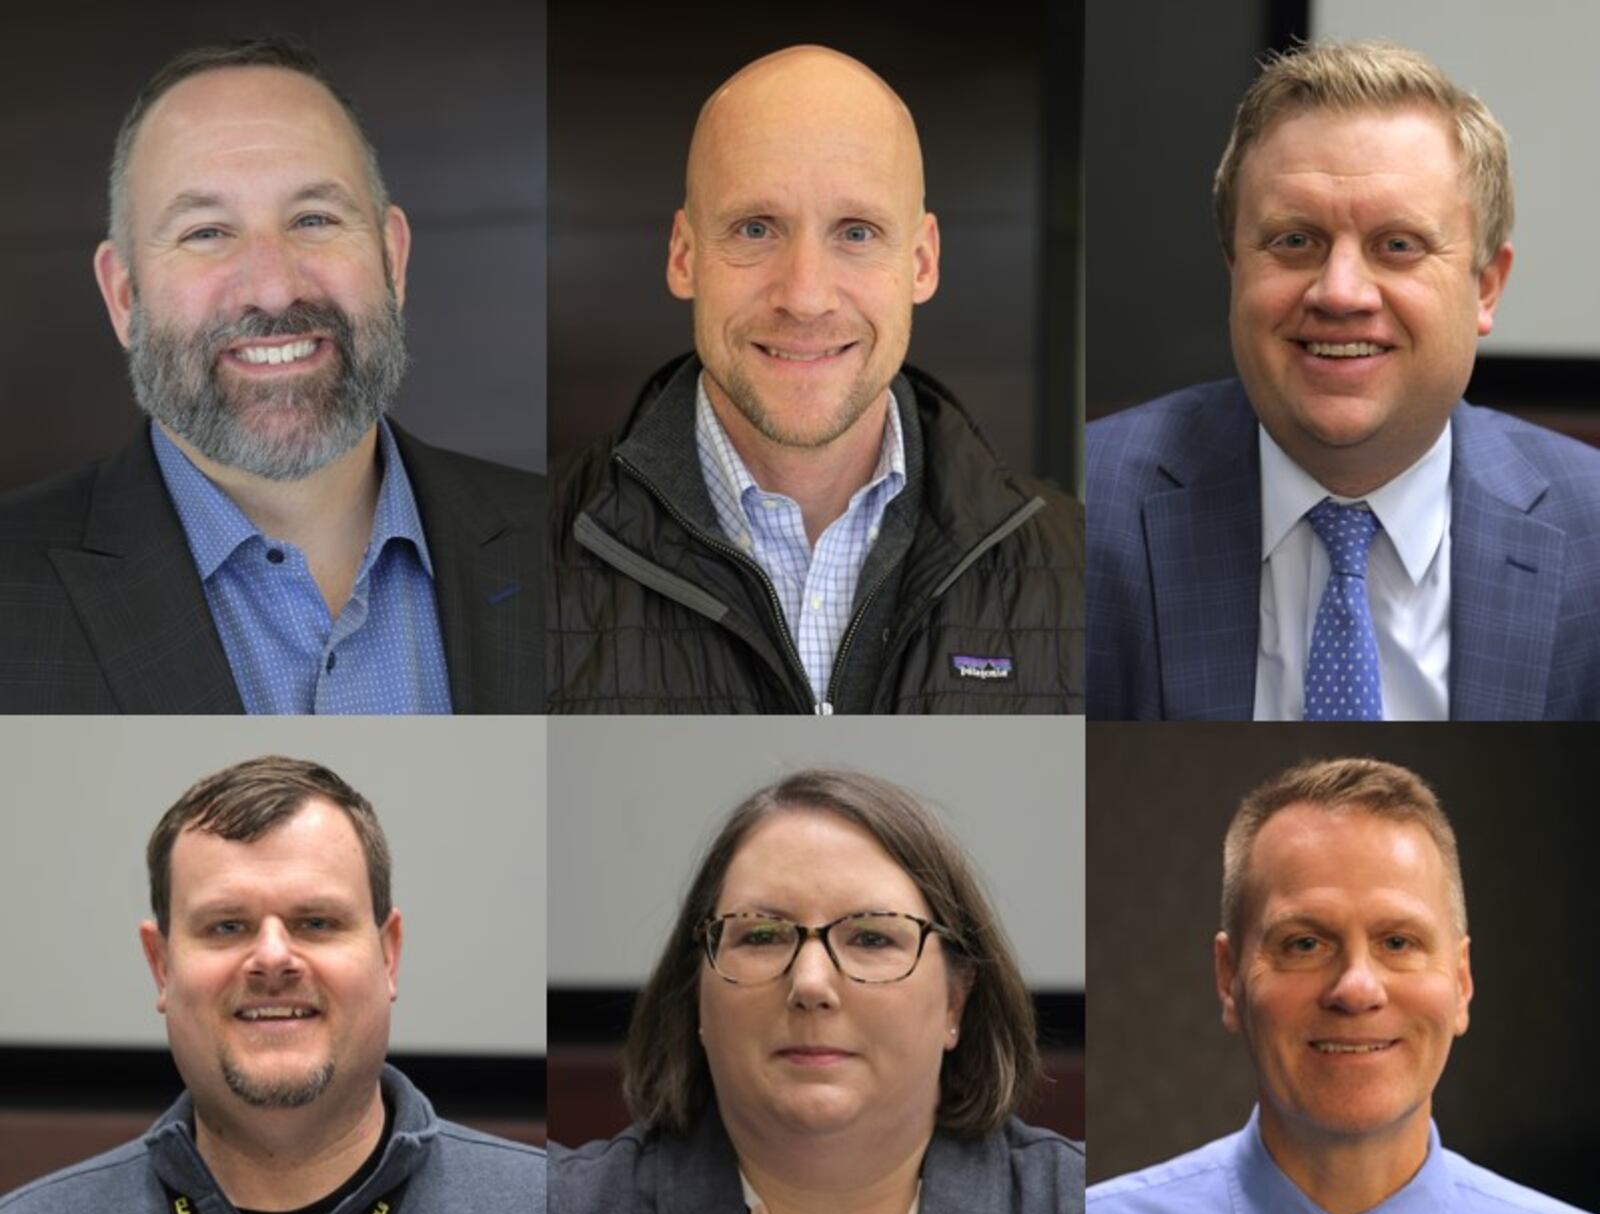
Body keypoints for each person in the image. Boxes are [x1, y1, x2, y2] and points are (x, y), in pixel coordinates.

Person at [0, 37, 542, 713]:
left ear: (392, 261)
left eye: (314, 219)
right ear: (123, 296)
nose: (275, 290)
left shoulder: (559, 541)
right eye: (206, 232)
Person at [0, 756, 545, 1214]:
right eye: (226, 926)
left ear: (389, 953)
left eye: (316, 922)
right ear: (162, 966)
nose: (273, 957)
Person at [548, 46, 1084, 714]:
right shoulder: (530, 550)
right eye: (755, 228)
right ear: (686, 256)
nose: (805, 296)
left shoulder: (1082, 564)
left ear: (921, 261)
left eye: (856, 233)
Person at [549, 768, 1083, 1214]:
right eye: (762, 935)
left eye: (872, 936)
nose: (810, 983)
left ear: (955, 1000)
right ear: (698, 997)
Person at [1088, 40, 1600, 721]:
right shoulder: (1090, 508)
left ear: (1486, 288)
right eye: (1295, 241)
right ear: (1234, 270)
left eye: (1398, 246)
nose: (1341, 292)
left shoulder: (1590, 530)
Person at [1087, 758, 1600, 1214]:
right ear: (1227, 979)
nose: (1357, 988)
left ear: (1462, 981)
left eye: (1397, 940)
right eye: (1304, 943)